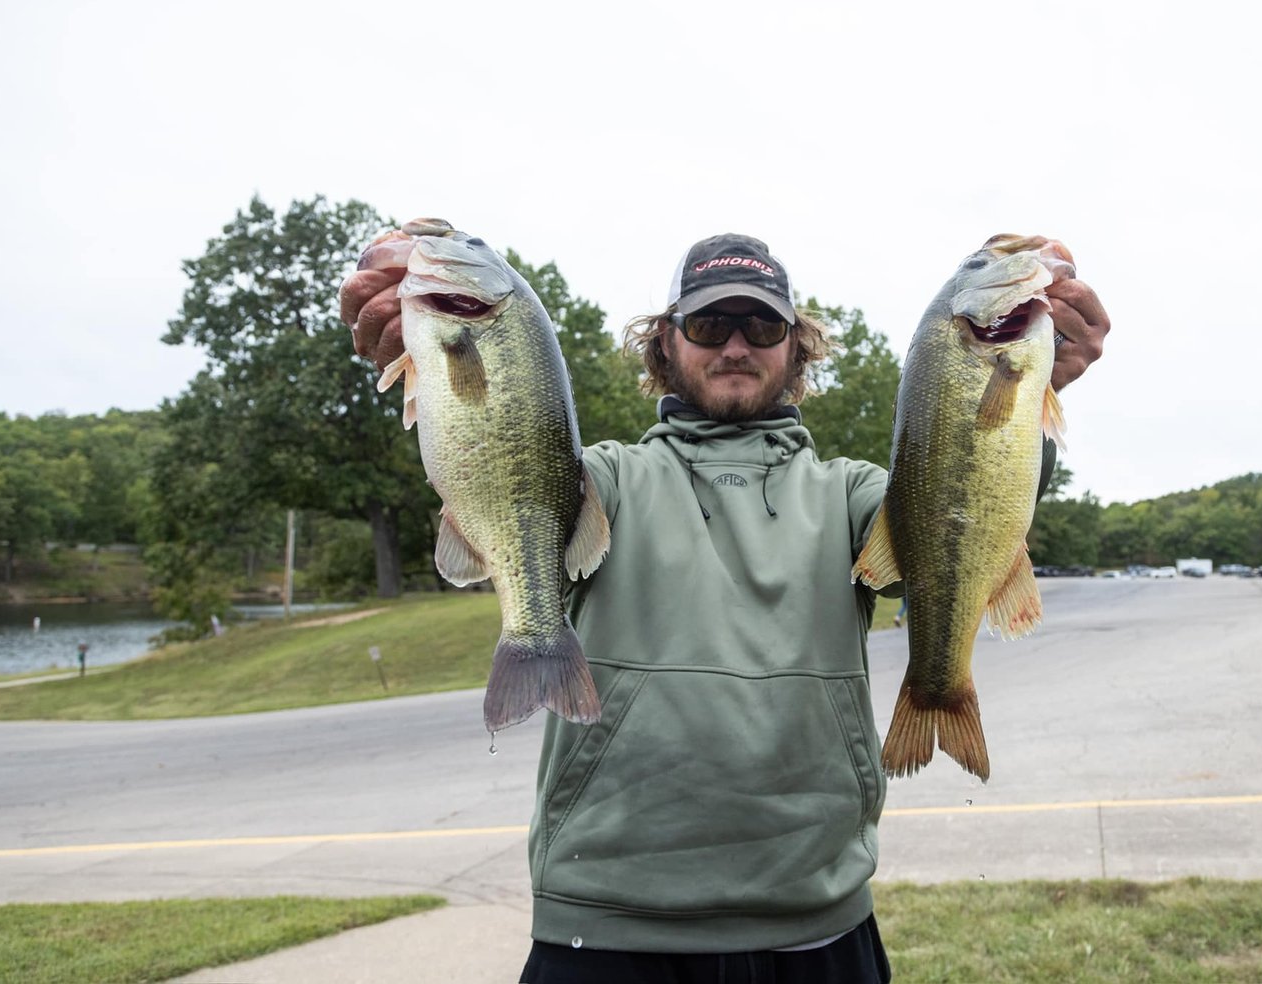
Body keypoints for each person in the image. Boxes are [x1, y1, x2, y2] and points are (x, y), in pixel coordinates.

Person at [341, 230, 1109, 983]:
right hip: (604, 922)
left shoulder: (855, 496)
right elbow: (502, 459)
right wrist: (424, 363)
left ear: (795, 347)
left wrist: (1029, 397)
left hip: (818, 920)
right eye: (709, 324)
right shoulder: (599, 481)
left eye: (761, 325)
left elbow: (958, 511)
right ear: (667, 345)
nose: (735, 346)